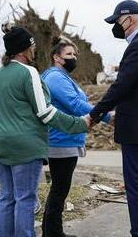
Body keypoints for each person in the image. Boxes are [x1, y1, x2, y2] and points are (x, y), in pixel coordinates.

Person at [0, 25, 90, 237]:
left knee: (6, 197)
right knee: (25, 198)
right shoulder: (29, 72)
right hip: (24, 147)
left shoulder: (0, 74)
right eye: (32, 46)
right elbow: (46, 113)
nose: (34, 51)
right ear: (23, 50)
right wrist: (80, 124)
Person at [89, 0, 138, 237]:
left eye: (117, 21)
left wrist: (96, 113)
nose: (116, 26)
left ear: (129, 18)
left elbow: (121, 86)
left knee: (136, 185)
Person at [41, 36, 111, 237]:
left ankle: (52, 231)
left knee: (60, 188)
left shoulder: (61, 77)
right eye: (68, 54)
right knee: (60, 189)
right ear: (57, 57)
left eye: (74, 54)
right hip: (61, 141)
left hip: (66, 139)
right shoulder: (55, 77)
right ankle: (53, 233)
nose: (73, 58)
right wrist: (106, 116)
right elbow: (75, 104)